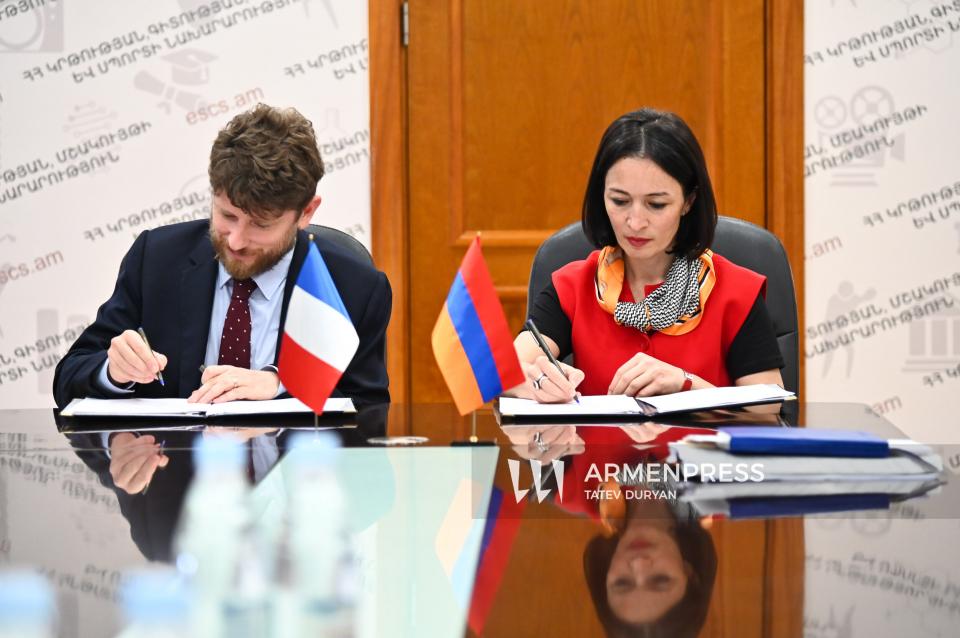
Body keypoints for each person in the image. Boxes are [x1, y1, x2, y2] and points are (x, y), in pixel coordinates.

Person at [53, 104, 391, 409]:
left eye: (260, 224)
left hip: (294, 474)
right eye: (227, 215)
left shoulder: (354, 287)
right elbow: (69, 378)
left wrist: (282, 385)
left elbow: (370, 410)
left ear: (305, 212)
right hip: (176, 472)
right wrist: (113, 371)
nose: (236, 241)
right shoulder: (156, 259)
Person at [512, 108, 784, 402]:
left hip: (699, 448)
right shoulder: (574, 286)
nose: (635, 222)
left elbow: (771, 408)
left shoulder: (736, 292)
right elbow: (503, 374)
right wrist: (537, 381)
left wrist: (685, 383)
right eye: (619, 201)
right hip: (599, 449)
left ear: (688, 201)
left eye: (656, 204)